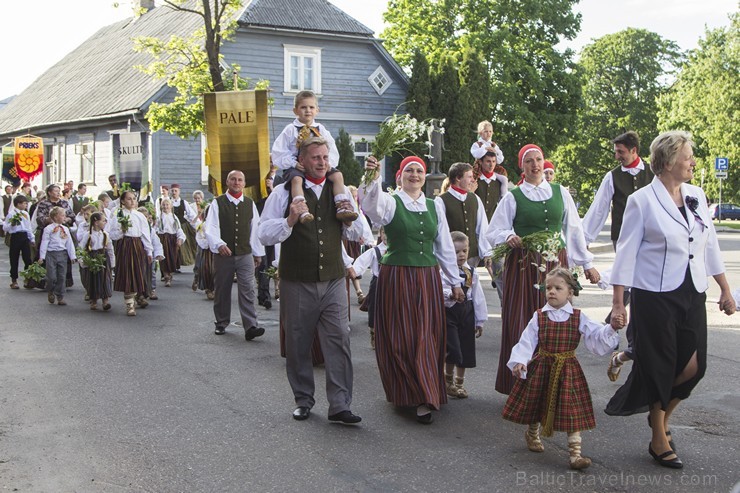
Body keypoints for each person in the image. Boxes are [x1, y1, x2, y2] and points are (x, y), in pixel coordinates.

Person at [604, 131, 735, 469]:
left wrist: (725, 288)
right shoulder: (642, 201)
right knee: (661, 365)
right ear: (669, 161)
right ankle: (658, 437)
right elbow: (626, 255)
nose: (693, 162)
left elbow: (710, 244)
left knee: (695, 366)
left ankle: (658, 419)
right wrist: (619, 303)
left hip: (692, 291)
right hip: (654, 295)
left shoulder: (696, 193)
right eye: (688, 156)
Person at [259, 136, 363, 424]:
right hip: (297, 280)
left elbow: (359, 232)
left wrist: (350, 222)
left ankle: (340, 404)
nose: (321, 162)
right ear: (301, 161)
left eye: (325, 157)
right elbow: (264, 234)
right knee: (298, 341)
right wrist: (289, 221)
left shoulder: (339, 192)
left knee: (339, 338)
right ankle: (303, 399)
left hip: (332, 279)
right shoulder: (283, 193)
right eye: (315, 157)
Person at [486, 144, 599, 395]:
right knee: (522, 318)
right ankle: (520, 383)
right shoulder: (513, 197)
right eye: (529, 161)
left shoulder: (560, 192)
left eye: (538, 160)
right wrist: (508, 237)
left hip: (555, 264)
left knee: (555, 321)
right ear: (522, 166)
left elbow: (574, 229)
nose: (535, 165)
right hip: (524, 264)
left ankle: (551, 383)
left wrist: (586, 263)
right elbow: (493, 231)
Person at [361, 155, 463, 424]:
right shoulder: (391, 201)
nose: (415, 175)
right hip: (397, 276)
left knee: (426, 335)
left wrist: (454, 281)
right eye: (409, 170)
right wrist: (371, 177)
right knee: (400, 336)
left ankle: (425, 394)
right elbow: (371, 207)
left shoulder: (435, 205)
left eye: (419, 170)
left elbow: (443, 245)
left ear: (425, 175)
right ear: (399, 176)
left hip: (428, 277)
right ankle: (405, 390)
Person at [503, 267, 623, 470]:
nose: (551, 291)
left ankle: (575, 455)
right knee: (536, 401)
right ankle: (533, 433)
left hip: (568, 369)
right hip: (542, 365)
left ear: (570, 292)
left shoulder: (577, 316)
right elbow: (527, 340)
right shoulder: (539, 316)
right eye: (548, 287)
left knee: (571, 409)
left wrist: (611, 327)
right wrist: (520, 360)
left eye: (558, 288)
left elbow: (596, 335)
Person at [581, 131, 654, 381]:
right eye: (616, 151)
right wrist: (583, 243)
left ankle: (614, 327)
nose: (617, 156)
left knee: (641, 286)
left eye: (621, 151)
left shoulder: (653, 173)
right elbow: (599, 209)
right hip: (624, 239)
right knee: (631, 280)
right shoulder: (612, 177)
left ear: (634, 150)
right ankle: (621, 334)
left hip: (653, 238)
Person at [271, 90, 357, 224]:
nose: (308, 111)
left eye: (311, 107)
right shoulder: (290, 129)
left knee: (337, 176)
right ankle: (301, 207)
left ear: (317, 110)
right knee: (297, 179)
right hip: (298, 167)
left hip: (319, 165)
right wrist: (293, 163)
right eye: (303, 107)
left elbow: (331, 148)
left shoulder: (321, 129)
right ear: (295, 110)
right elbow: (279, 151)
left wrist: (329, 163)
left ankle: (341, 204)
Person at [204, 170, 265, 341]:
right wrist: (219, 244)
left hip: (245, 253)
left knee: (248, 289)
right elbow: (211, 227)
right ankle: (221, 322)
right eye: (233, 179)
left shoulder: (249, 203)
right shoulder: (218, 203)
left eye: (240, 180)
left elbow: (255, 228)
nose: (237, 182)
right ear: (227, 182)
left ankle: (251, 326)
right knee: (222, 289)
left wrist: (257, 252)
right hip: (224, 254)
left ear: (244, 184)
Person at [442, 231, 487, 399]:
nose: (461, 255)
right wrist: (449, 294)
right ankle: (448, 381)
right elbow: (440, 289)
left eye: (464, 251)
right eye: (456, 252)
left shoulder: (472, 272)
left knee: (466, 348)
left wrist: (480, 321)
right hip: (450, 312)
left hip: (467, 312)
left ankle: (459, 383)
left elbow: (478, 296)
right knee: (453, 348)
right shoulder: (444, 271)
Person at [435, 162, 491, 269]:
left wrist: (486, 253)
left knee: (470, 284)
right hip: (449, 257)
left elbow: (482, 228)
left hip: (472, 257)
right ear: (458, 178)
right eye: (469, 176)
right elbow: (440, 231)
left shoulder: (475, 199)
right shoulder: (440, 201)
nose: (472, 180)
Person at [109, 190, 154, 316]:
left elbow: (145, 234)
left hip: (137, 245)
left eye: (134, 198)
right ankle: (129, 304)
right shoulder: (118, 214)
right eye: (129, 199)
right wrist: (122, 231)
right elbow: (112, 234)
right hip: (124, 244)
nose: (132, 201)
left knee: (137, 271)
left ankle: (136, 297)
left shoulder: (139, 215)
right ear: (123, 201)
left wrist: (149, 251)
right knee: (127, 272)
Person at [473, 151, 509, 303]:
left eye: (493, 161)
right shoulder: (475, 181)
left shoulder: (499, 182)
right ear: (481, 162)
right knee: (469, 267)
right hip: (475, 229)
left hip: (493, 231)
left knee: (499, 267)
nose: (491, 164)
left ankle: (505, 302)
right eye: (488, 161)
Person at [348, 227, 387, 349]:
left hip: (392, 283)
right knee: (374, 309)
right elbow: (361, 262)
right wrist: (354, 271)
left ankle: (388, 335)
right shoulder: (375, 251)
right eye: (384, 232)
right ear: (380, 234)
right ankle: (373, 333)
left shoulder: (399, 250)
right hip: (377, 282)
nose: (386, 236)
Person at [39, 206, 77, 306]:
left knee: (62, 276)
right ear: (55, 217)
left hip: (62, 254)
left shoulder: (65, 229)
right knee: (51, 276)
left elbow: (69, 243)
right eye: (63, 215)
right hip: (51, 254)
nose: (65, 217)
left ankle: (60, 296)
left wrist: (72, 256)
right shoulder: (48, 229)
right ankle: (50, 290)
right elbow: (44, 242)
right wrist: (42, 256)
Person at [78, 212, 114, 311]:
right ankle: (94, 300)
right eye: (103, 220)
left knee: (105, 279)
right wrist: (82, 260)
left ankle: (105, 301)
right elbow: (81, 248)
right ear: (96, 222)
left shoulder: (105, 234)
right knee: (93, 279)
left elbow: (110, 249)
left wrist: (112, 262)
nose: (105, 222)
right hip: (92, 258)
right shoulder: (88, 235)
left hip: (103, 258)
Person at [3, 195, 35, 289]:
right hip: (15, 236)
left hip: (24, 236)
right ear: (18, 204)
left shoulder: (26, 214)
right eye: (24, 203)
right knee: (14, 258)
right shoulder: (11, 214)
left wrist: (31, 238)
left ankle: (27, 278)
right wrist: (11, 225)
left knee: (27, 258)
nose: (26, 205)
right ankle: (14, 280)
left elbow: (28, 227)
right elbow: (6, 227)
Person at [156, 198, 186, 287]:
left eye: (167, 204)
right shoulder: (159, 217)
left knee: (172, 257)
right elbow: (155, 228)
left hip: (172, 239)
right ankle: (166, 276)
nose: (165, 206)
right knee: (164, 258)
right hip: (163, 238)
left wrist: (180, 238)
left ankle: (169, 274)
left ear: (171, 206)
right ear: (161, 206)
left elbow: (178, 229)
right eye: (164, 205)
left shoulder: (174, 217)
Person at [168, 184, 197, 266]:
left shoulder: (184, 203)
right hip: (171, 226)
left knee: (184, 245)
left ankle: (181, 262)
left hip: (183, 226)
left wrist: (197, 226)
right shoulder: (168, 202)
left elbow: (192, 215)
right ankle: (174, 264)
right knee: (172, 245)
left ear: (179, 192)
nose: (174, 192)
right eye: (172, 191)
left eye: (175, 191)